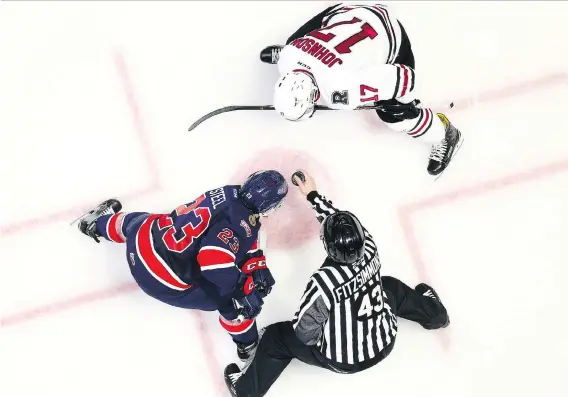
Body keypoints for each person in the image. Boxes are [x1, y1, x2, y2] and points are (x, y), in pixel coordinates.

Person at [223, 169, 450, 397]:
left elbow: (305, 333)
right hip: (386, 339)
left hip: (344, 360)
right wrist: (313, 195)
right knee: (389, 286)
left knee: (275, 338)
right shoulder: (369, 245)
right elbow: (340, 220)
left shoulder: (323, 282)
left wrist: (330, 331)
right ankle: (436, 315)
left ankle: (245, 391)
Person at [75, 170, 288, 360]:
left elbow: (240, 232)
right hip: (158, 277)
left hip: (141, 241)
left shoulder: (229, 192)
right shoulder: (240, 224)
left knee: (142, 222)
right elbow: (213, 261)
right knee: (230, 301)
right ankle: (247, 343)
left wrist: (256, 263)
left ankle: (97, 224)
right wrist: (243, 287)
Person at [259, 3, 463, 177]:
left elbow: (406, 78)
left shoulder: (343, 90)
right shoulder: (289, 55)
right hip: (351, 13)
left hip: (389, 33)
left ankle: (445, 134)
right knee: (292, 42)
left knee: (396, 117)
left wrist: (401, 103)